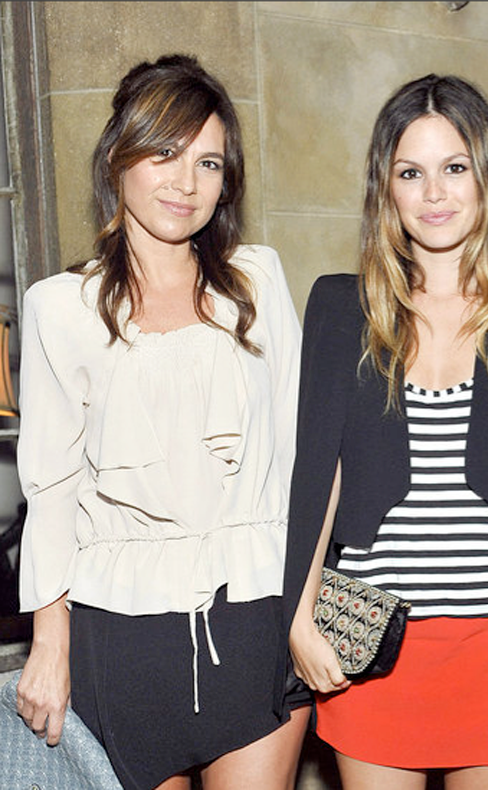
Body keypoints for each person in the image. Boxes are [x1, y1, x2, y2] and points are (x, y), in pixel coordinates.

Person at [281, 73, 488, 789]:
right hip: (374, 643)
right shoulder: (342, 309)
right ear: (385, 189)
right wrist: (298, 618)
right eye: (410, 173)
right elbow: (317, 479)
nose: (434, 193)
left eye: (454, 168)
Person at [15, 53, 311, 790]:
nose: (186, 182)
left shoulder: (258, 281)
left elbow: (301, 454)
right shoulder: (61, 308)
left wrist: (304, 609)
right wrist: (48, 643)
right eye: (166, 153)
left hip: (256, 614)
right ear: (119, 157)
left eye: (208, 162)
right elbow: (51, 490)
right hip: (121, 637)